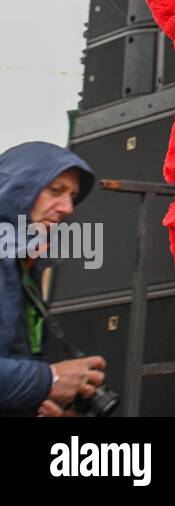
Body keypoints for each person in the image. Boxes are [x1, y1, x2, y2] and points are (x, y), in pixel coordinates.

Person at [0, 142, 107, 415]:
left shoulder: (24, 267)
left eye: (73, 196)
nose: (68, 207)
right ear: (16, 189)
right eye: (55, 191)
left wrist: (39, 403)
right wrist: (50, 380)